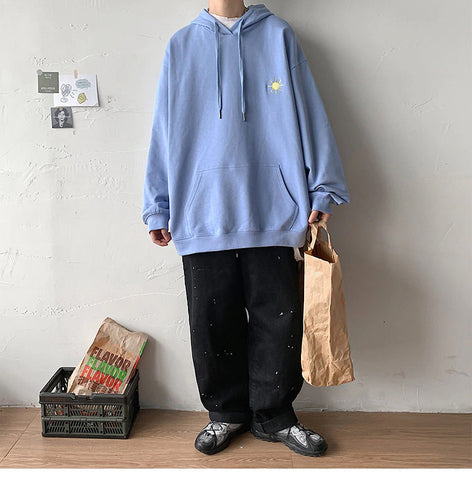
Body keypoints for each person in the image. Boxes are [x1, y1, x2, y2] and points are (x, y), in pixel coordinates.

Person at [142, 1, 350, 457]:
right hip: (202, 214)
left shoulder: (278, 36)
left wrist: (324, 187)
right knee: (211, 323)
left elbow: (310, 112)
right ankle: (226, 413)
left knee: (280, 318)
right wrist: (157, 205)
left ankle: (275, 416)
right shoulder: (182, 45)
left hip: (275, 210)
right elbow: (163, 129)